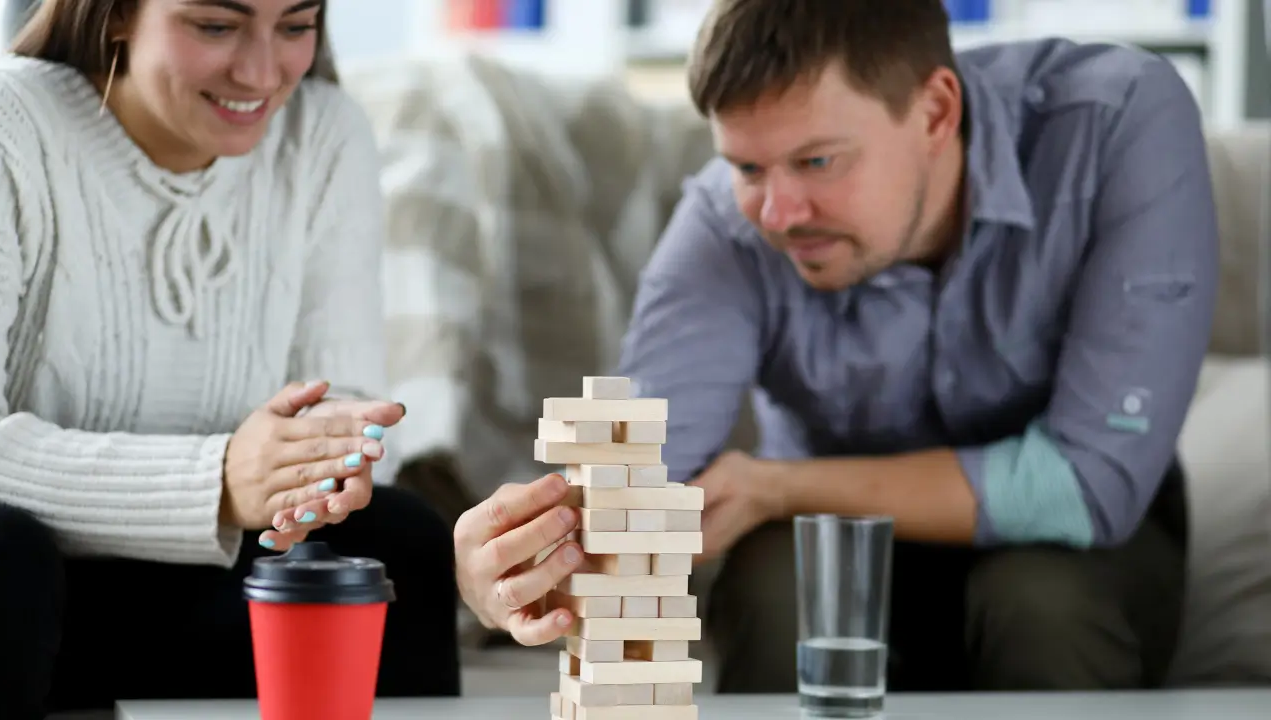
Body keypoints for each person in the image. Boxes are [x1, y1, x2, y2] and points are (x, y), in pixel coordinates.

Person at [453, 0, 1217, 696]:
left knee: (1042, 603)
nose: (779, 214)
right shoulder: (728, 221)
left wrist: (780, 487)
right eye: (747, 167)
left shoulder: (1118, 119)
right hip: (829, 547)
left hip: (1076, 554)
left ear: (936, 111)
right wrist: (526, 557)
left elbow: (1088, 485)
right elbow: (641, 471)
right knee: (776, 585)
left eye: (818, 161)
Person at [0, 1, 459, 717]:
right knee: (2, 552)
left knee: (399, 539)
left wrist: (324, 460)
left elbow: (348, 403)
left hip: (213, 567)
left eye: (296, 27)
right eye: (216, 26)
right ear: (115, 14)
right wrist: (214, 482)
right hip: (30, 572)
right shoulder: (8, 124)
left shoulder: (324, 132)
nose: (263, 74)